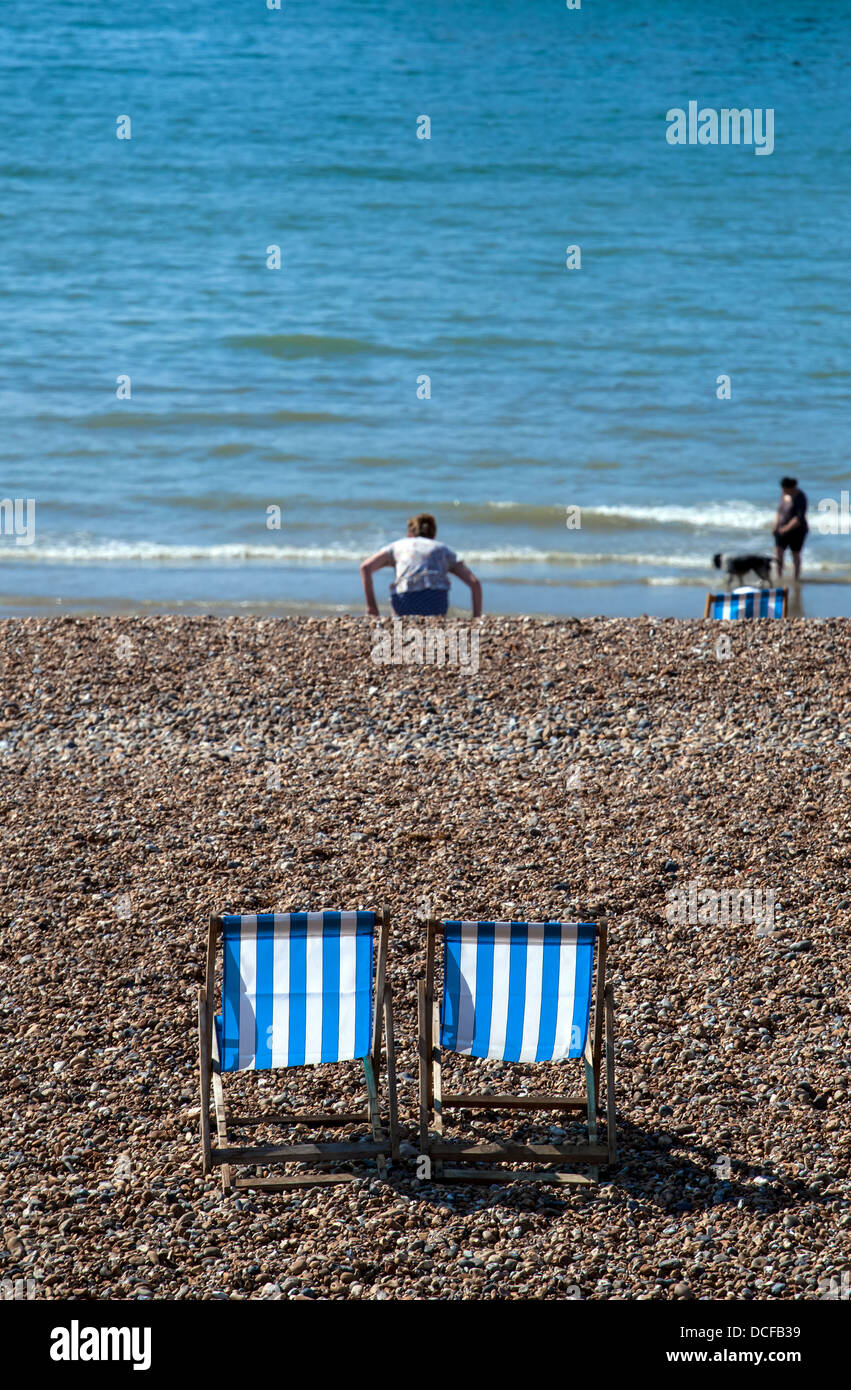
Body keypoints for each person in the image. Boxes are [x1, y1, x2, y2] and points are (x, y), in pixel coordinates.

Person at [360, 513, 482, 618]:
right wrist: (476, 617)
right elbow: (474, 583)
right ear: (433, 534)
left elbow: (365, 567)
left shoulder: (398, 545)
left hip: (405, 600)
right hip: (436, 602)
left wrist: (372, 607)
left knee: (399, 613)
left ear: (410, 533)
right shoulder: (442, 549)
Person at [773, 477, 808, 580]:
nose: (783, 490)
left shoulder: (800, 497)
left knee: (795, 554)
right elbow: (779, 511)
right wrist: (775, 525)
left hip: (797, 531)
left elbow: (799, 518)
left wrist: (787, 528)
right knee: (778, 553)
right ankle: (779, 576)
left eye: (784, 488)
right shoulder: (783, 495)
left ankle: (796, 577)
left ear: (791, 488)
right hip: (781, 529)